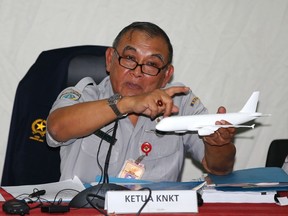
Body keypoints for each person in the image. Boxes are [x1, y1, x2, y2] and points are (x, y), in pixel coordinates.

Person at [46, 21, 236, 184]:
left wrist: (218, 144)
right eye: (129, 59)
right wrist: (125, 104)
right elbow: (56, 129)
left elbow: (220, 168)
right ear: (110, 59)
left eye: (151, 64)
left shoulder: (179, 102)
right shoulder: (85, 94)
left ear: (166, 76)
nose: (137, 72)